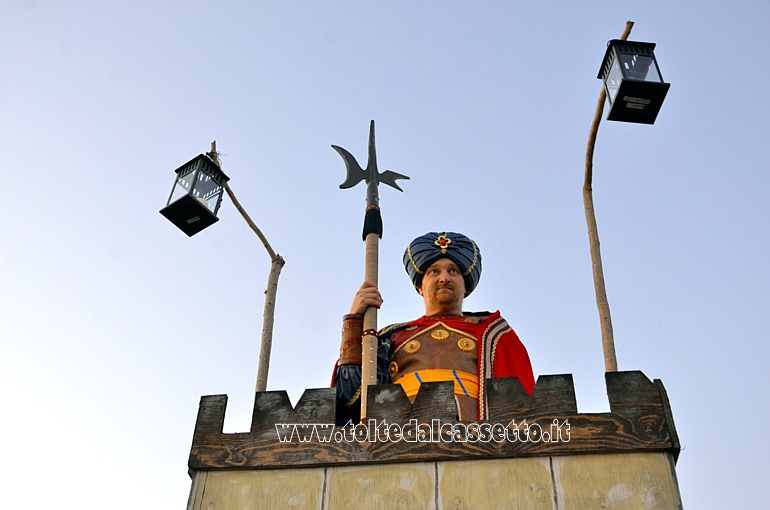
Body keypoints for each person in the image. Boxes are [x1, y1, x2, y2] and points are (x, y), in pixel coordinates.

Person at [332, 232, 535, 424]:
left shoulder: (492, 333)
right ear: (420, 286)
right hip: (400, 442)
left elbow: (521, 409)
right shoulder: (391, 338)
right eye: (434, 271)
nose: (444, 278)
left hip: (472, 444)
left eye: (453, 271)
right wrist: (355, 320)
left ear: (466, 286)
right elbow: (351, 398)